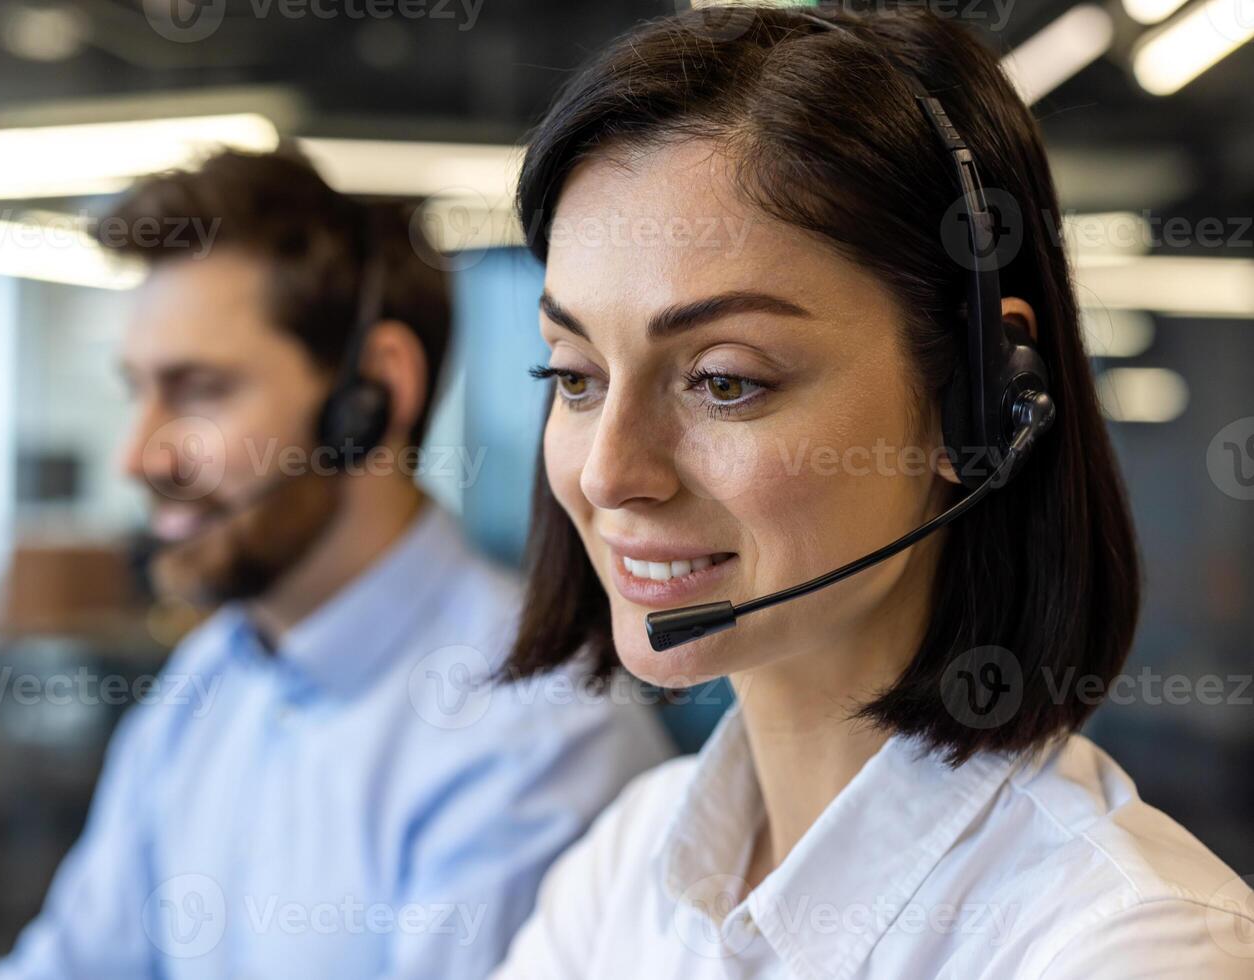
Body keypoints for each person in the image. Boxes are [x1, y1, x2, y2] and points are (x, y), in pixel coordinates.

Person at [490, 6, 1254, 978]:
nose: (607, 471)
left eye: (726, 380)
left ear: (975, 397)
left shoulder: (1125, 943)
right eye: (575, 376)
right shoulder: (628, 868)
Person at [0, 150, 674, 980]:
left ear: (369, 394)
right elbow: (73, 964)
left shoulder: (537, 736)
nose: (136, 454)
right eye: (138, 390)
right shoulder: (208, 682)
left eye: (198, 390)